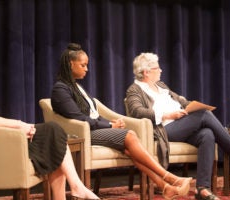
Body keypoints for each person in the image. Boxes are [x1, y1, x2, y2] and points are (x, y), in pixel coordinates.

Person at [0, 39, 100, 200]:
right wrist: (20, 126)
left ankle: (74, 188)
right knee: (52, 131)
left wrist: (24, 128)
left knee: (53, 138)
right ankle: (76, 187)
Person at [51, 43, 192, 200]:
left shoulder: (77, 87)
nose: (86, 69)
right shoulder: (61, 89)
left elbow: (93, 115)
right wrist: (110, 125)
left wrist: (111, 121)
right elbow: (80, 118)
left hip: (94, 129)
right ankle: (170, 178)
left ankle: (165, 187)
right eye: (83, 65)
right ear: (71, 64)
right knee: (130, 135)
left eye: (87, 65)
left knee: (130, 151)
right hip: (83, 134)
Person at [125, 52, 230, 200]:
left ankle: (202, 189)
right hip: (164, 129)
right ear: (146, 72)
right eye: (157, 68)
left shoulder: (160, 86)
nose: (161, 70)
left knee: (207, 134)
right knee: (204, 115)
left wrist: (192, 107)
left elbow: (179, 100)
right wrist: (167, 115)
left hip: (181, 125)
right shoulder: (134, 90)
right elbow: (137, 112)